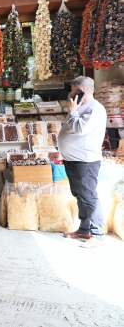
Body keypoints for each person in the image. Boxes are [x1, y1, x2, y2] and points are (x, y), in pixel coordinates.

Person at [58, 76, 107, 249]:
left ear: (80, 91)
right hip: (73, 160)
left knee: (88, 196)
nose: (69, 93)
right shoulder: (81, 107)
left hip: (85, 161)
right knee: (80, 196)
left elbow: (80, 129)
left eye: (72, 90)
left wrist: (73, 112)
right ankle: (84, 229)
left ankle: (98, 234)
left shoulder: (95, 108)